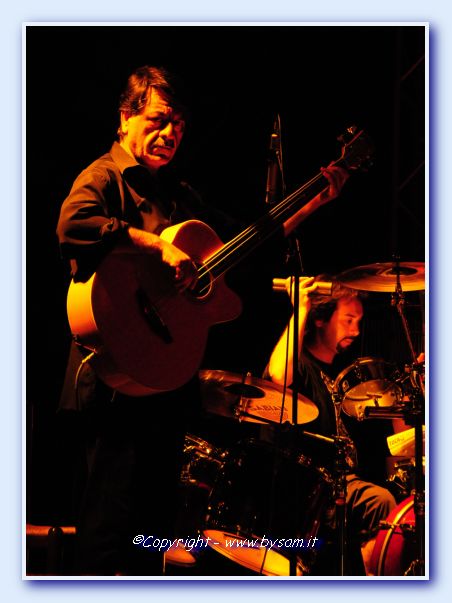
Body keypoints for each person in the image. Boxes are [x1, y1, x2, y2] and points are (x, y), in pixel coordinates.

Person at [56, 65, 349, 576]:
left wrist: (312, 202)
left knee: (151, 533)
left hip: (165, 384)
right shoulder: (105, 176)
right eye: (158, 119)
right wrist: (157, 246)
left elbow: (246, 244)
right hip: (111, 381)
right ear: (125, 118)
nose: (169, 133)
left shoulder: (177, 194)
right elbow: (74, 224)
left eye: (178, 125)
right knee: (105, 532)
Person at [266, 275, 396, 575]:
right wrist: (301, 308)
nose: (356, 330)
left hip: (339, 483)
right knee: (380, 502)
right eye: (348, 320)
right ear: (320, 319)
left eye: (358, 321)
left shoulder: (337, 375)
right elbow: (277, 375)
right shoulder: (299, 365)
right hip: (309, 485)